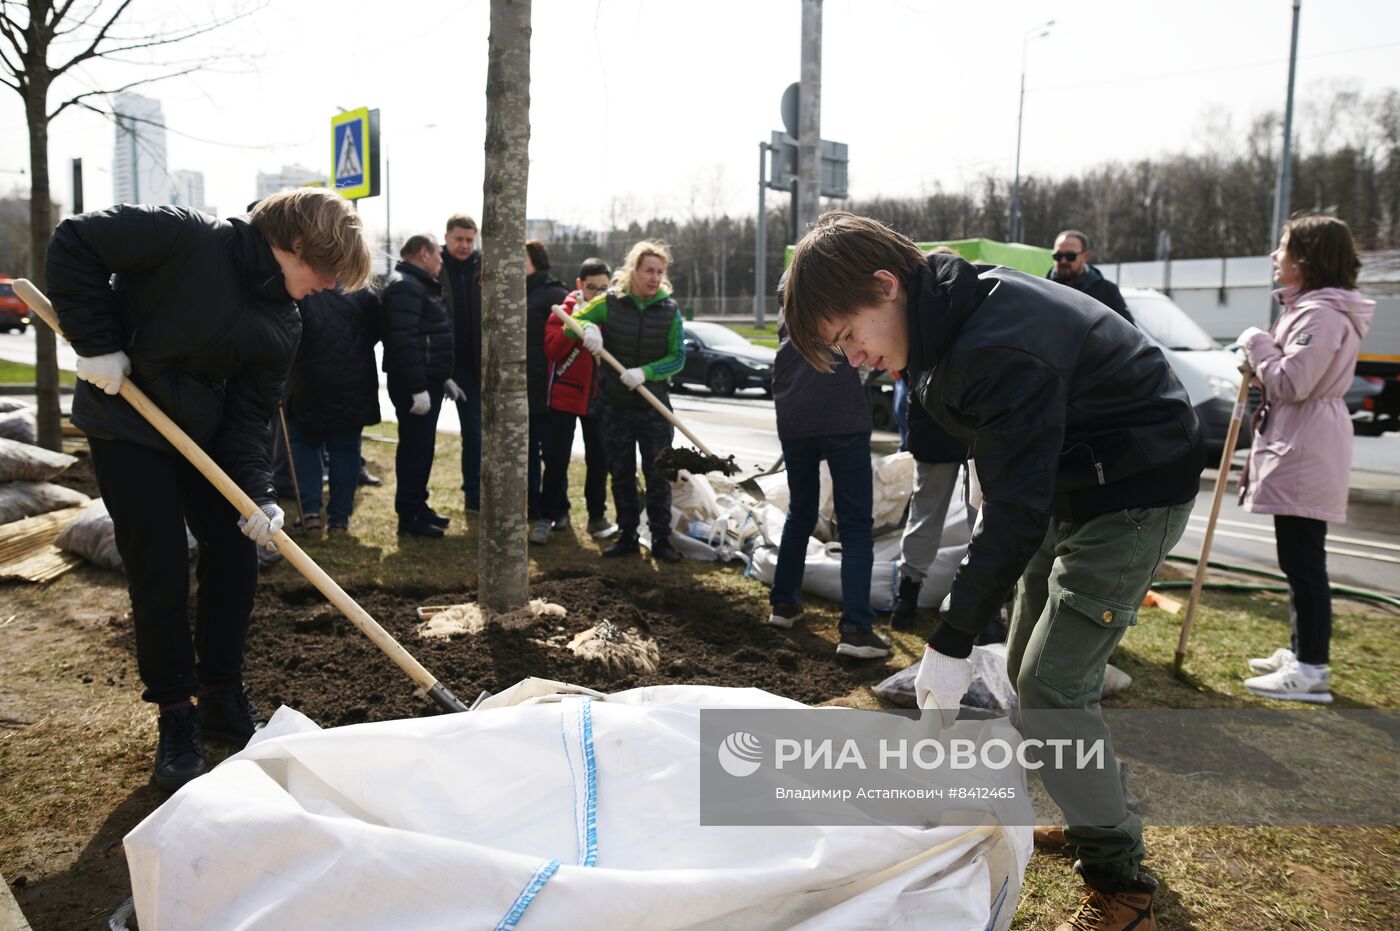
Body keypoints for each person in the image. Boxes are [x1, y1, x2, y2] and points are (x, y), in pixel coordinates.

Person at [782, 211, 1204, 931]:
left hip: (1134, 487)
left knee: (1050, 687)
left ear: (886, 286)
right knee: (1025, 663)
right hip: (1072, 480)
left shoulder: (996, 341)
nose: (853, 357)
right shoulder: (940, 319)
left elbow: (1013, 512)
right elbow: (1003, 473)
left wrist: (947, 644)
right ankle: (1095, 807)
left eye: (849, 335)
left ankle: (1121, 881)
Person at [45, 189, 371, 792]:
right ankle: (176, 712)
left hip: (205, 440)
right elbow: (76, 242)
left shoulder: (285, 320)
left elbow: (250, 418)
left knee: (233, 557)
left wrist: (259, 493)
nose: (328, 286)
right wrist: (98, 344)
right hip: (126, 422)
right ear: (297, 244)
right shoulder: (186, 238)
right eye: (326, 271)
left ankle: (221, 691)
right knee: (160, 565)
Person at [1238, 216, 1374, 704]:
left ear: (1306, 259)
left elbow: (1293, 383)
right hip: (1301, 438)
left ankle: (1313, 669)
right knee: (1296, 558)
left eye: (1282, 247)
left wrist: (1256, 341)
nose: (1276, 256)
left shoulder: (1322, 315)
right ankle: (1302, 652)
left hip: (1306, 444)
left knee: (1304, 560)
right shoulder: (1313, 309)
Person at [768, 322, 890, 660]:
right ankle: (856, 630)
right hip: (842, 413)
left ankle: (784, 604)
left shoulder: (789, 300)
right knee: (854, 524)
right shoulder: (836, 283)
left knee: (801, 511)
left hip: (794, 414)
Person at [569, 240, 685, 564]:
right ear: (633, 270)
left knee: (659, 473)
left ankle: (661, 539)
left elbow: (678, 358)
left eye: (660, 272)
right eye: (648, 270)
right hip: (615, 406)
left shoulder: (669, 311)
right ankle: (628, 535)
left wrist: (646, 372)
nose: (654, 277)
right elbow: (573, 323)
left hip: (654, 408)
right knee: (620, 472)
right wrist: (589, 327)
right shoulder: (610, 302)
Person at [285, 286, 382, 535]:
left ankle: (310, 513)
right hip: (353, 381)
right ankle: (339, 519)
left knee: (306, 447)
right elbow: (375, 332)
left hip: (309, 380)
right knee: (346, 451)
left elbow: (290, 333)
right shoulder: (363, 292)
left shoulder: (303, 287)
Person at [538, 258, 616, 545]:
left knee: (599, 459)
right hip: (565, 395)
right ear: (580, 285)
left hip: (599, 398)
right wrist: (576, 327)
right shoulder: (565, 309)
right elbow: (552, 349)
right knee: (556, 459)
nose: (597, 293)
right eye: (592, 287)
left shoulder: (612, 309)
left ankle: (597, 517)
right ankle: (552, 514)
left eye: (604, 288)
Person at [382, 233, 453, 538]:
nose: (441, 260)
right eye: (438, 254)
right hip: (415, 384)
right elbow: (403, 340)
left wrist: (442, 376)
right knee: (414, 450)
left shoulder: (416, 285)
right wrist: (417, 386)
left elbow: (428, 336)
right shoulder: (405, 287)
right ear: (423, 254)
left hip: (427, 380)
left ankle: (418, 506)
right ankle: (409, 516)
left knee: (422, 449)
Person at [525, 240, 571, 544]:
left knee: (553, 455)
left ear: (536, 261)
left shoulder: (553, 294)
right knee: (529, 454)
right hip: (527, 387)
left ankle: (558, 509)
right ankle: (537, 505)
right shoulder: (523, 290)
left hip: (547, 388)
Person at [440, 214, 483, 512]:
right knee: (420, 437)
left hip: (475, 366)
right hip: (440, 364)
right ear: (446, 238)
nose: (465, 245)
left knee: (475, 434)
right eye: (459, 239)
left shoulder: (484, 267)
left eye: (470, 239)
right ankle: (415, 504)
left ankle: (474, 493)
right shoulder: (435, 267)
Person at [1047, 229, 1134, 324]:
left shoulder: (1107, 291)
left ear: (1085, 256)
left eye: (1070, 256)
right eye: (1058, 256)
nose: (1063, 261)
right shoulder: (1043, 289)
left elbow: (1129, 333)